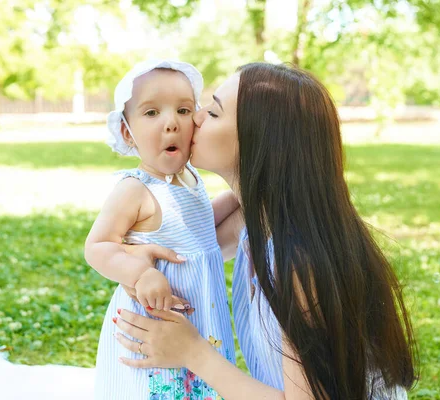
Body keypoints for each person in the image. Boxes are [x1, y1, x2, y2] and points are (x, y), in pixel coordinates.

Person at [113, 62, 417, 399]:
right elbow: (186, 250)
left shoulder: (298, 264)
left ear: (259, 142)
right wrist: (133, 254)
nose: (195, 118)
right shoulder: (258, 218)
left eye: (213, 112)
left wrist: (194, 353)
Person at [85, 59, 235, 400]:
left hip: (199, 324)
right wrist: (140, 274)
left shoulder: (190, 180)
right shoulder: (134, 189)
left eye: (183, 110)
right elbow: (97, 246)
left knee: (202, 384)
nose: (171, 123)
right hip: (153, 328)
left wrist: (238, 197)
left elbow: (196, 227)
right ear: (127, 132)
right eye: (152, 113)